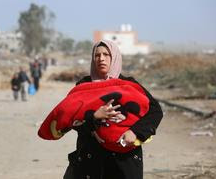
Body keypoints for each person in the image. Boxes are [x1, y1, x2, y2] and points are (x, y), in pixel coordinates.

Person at [61, 40, 163, 179]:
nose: (101, 58)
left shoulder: (129, 84)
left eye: (106, 54)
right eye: (97, 55)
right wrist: (94, 118)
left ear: (114, 57)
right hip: (90, 161)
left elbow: (155, 111)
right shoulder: (83, 85)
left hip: (123, 161)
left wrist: (135, 132)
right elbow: (72, 119)